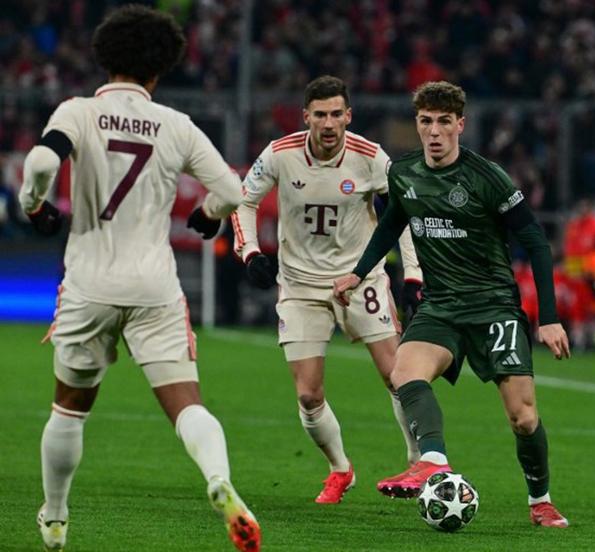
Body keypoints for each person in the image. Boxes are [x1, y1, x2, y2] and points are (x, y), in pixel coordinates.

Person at [17, 6, 259, 551]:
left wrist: (36, 208)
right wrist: (209, 217)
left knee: (69, 409)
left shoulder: (77, 112)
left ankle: (55, 518)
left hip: (89, 282)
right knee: (188, 405)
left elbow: (38, 164)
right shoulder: (177, 125)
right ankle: (219, 481)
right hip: (154, 286)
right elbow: (232, 190)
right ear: (159, 70)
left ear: (105, 58)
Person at [333, 81, 571, 527]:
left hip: (494, 307)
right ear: (418, 125)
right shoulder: (404, 174)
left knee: (523, 417)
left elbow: (536, 242)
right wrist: (358, 272)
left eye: (445, 122)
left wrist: (550, 319)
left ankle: (540, 500)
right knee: (403, 371)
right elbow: (389, 227)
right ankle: (434, 460)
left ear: (460, 125)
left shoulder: (487, 177)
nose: (435, 132)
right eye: (426, 122)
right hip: (441, 305)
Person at [231, 75, 423, 504]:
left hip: (360, 278)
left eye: (337, 114)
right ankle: (340, 468)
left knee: (397, 374)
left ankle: (417, 461)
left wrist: (413, 275)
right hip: (300, 285)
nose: (329, 122)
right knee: (307, 392)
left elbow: (403, 212)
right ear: (307, 118)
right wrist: (249, 252)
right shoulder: (280, 155)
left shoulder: (370, 157)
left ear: (348, 116)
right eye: (320, 114)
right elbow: (242, 200)